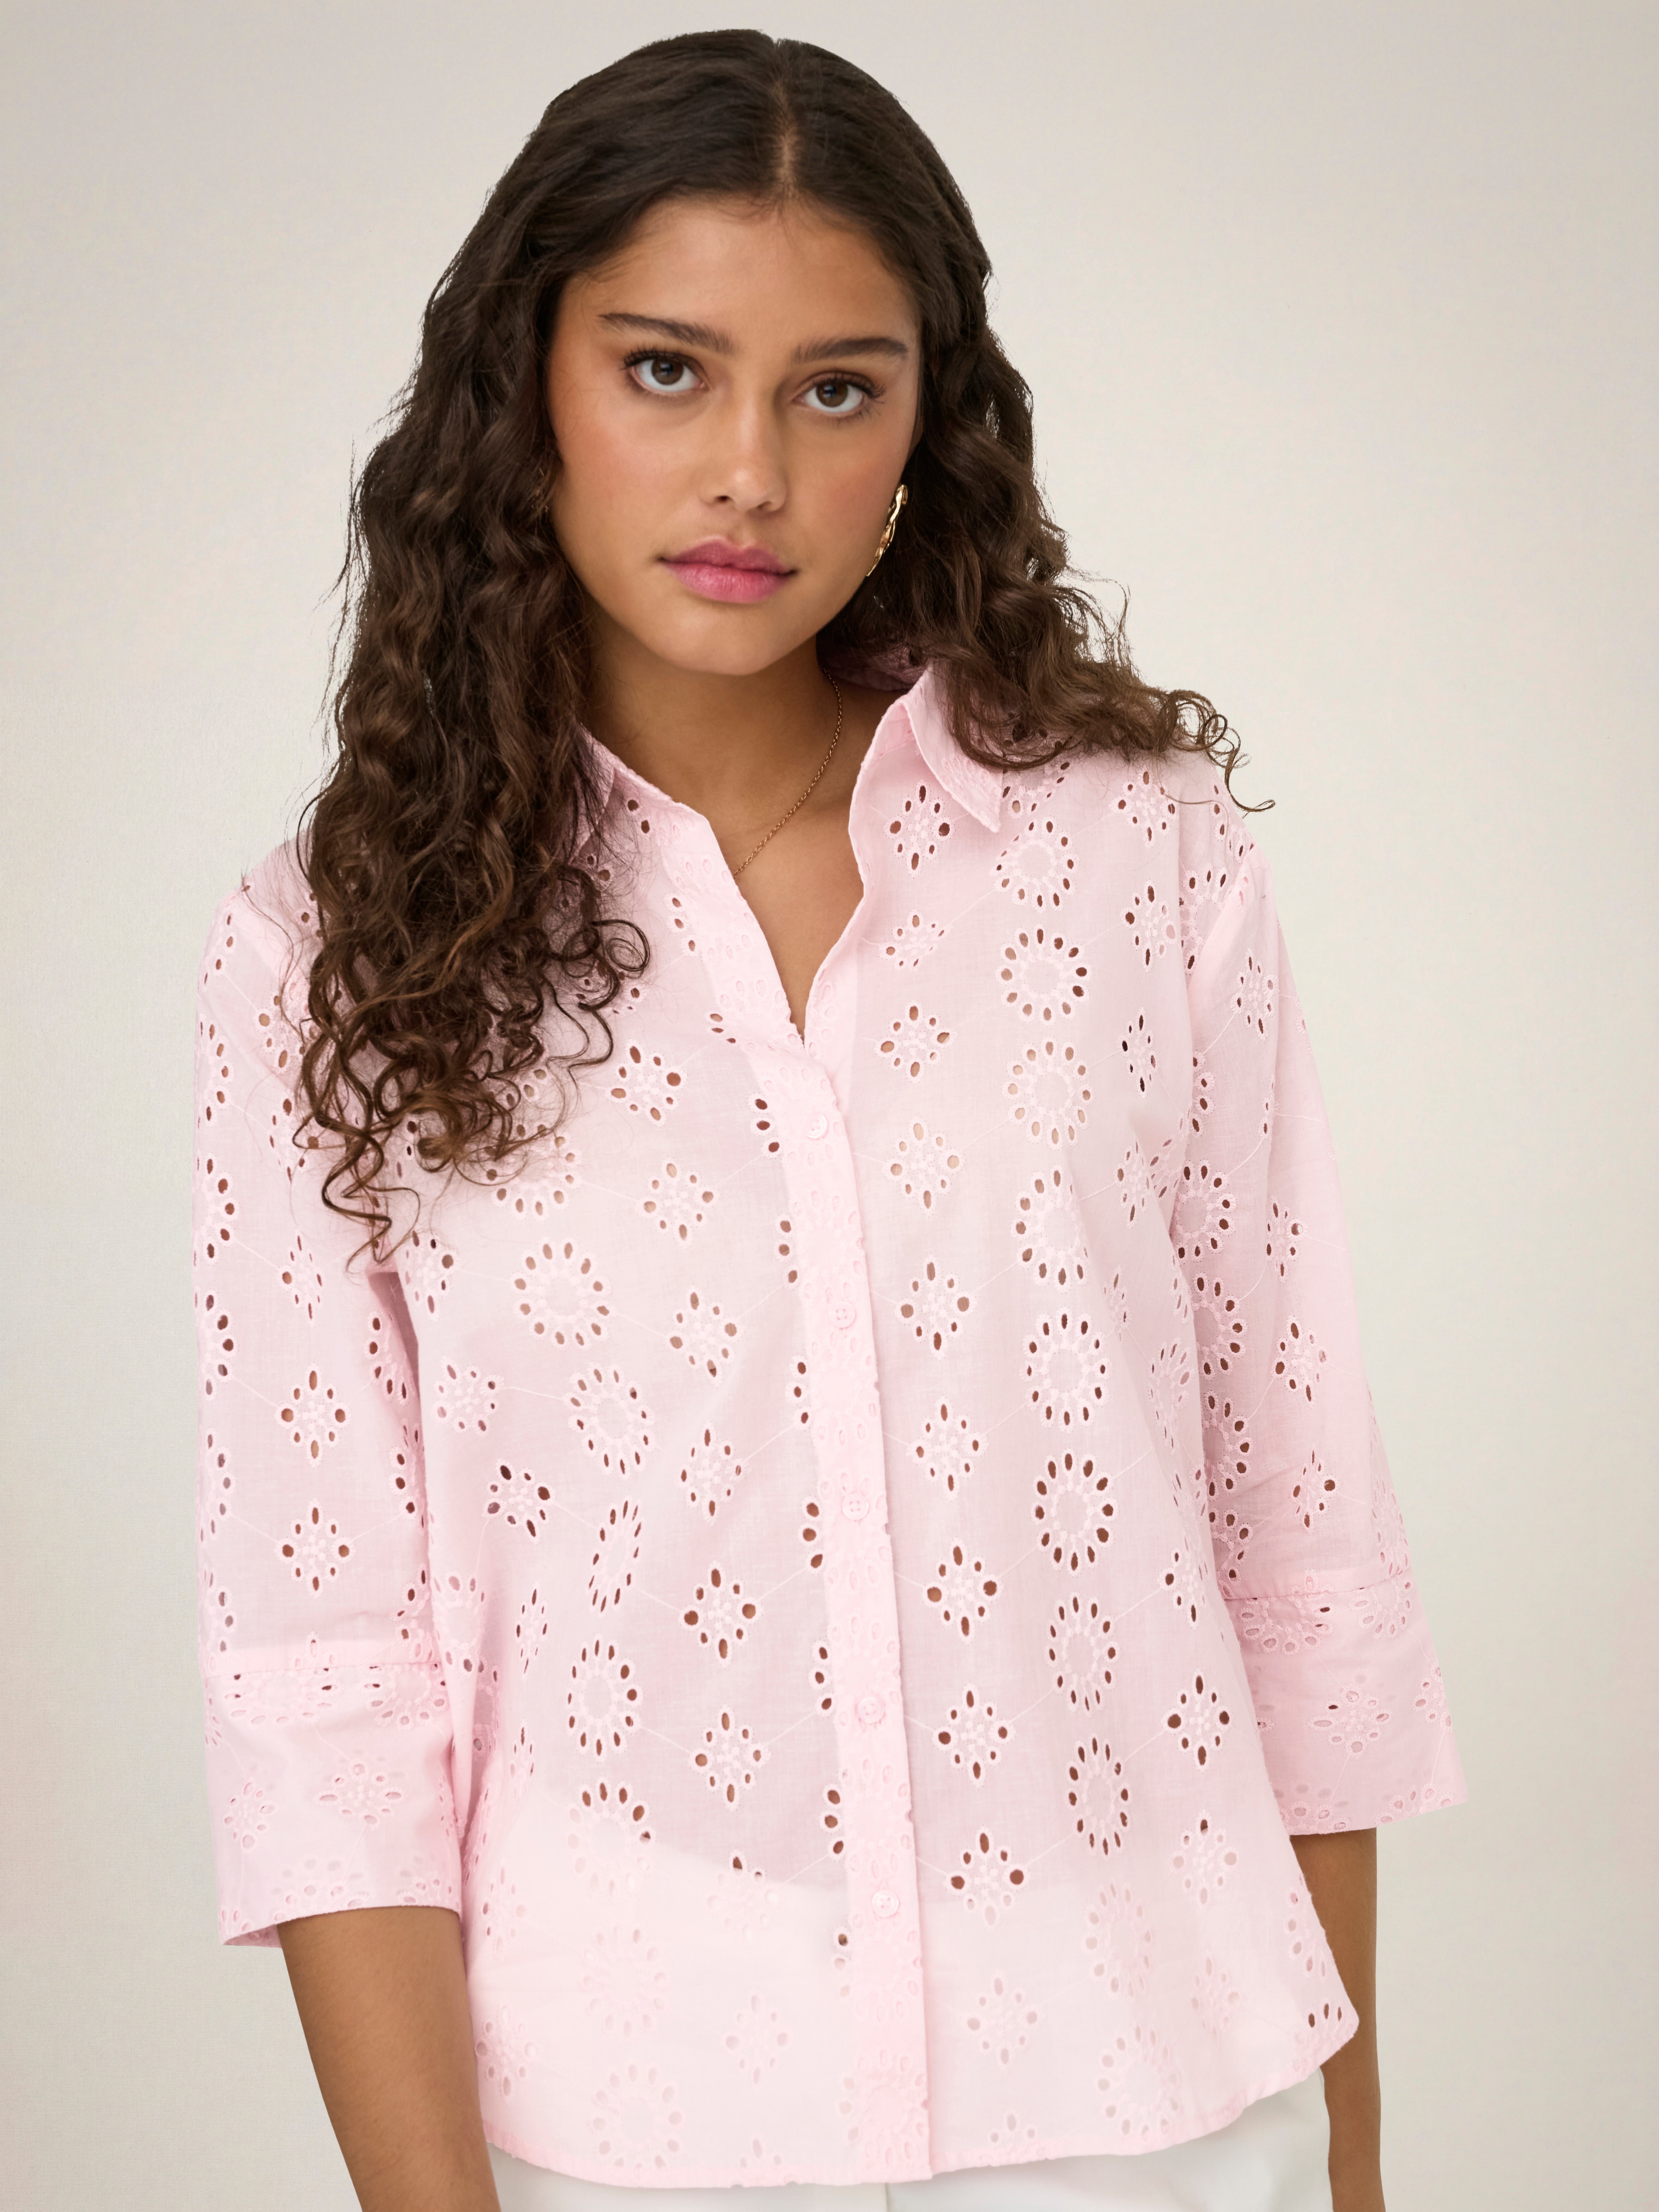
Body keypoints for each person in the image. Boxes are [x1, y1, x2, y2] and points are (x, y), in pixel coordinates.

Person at [192, 29, 1464, 2212]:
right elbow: (329, 1686)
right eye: (666, 370)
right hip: (624, 2129)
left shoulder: (1136, 861)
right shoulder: (325, 947)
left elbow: (1299, 1547)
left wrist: (1348, 2165)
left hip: (1158, 2097)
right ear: (526, 388)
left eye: (837, 388)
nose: (751, 472)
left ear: (925, 426)